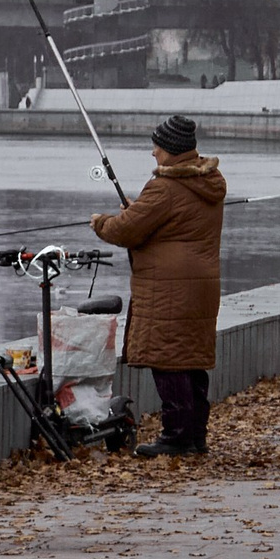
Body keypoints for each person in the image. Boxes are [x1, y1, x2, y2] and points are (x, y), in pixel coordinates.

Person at [91, 114, 226, 458]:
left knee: (168, 361)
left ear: (170, 150)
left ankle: (177, 436)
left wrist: (102, 223)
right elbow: (167, 223)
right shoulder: (208, 180)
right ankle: (195, 436)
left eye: (156, 146)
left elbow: (126, 230)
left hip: (169, 290)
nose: (153, 153)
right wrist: (137, 212)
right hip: (200, 287)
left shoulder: (165, 187)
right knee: (191, 361)